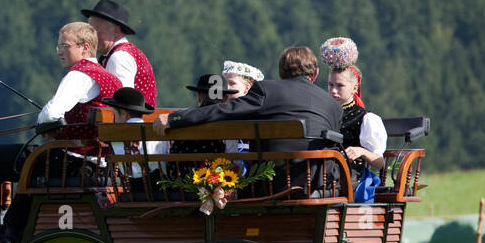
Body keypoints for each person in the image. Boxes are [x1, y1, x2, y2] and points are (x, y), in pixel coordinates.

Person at [0, 22, 121, 243]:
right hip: (97, 166)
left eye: (65, 45)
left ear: (85, 48)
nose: (59, 51)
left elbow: (51, 114)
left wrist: (47, 127)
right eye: (58, 46)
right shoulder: (109, 78)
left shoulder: (79, 75)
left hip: (69, 163)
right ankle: (13, 227)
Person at [152, 46, 344, 193]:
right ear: (316, 73)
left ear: (280, 73)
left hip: (269, 185)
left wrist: (175, 118)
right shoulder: (334, 105)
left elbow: (223, 111)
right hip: (319, 186)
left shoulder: (267, 90)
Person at [321, 37, 387, 171]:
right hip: (323, 174)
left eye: (340, 86)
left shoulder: (366, 118)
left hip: (350, 178)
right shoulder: (321, 112)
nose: (333, 91)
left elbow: (380, 162)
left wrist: (361, 151)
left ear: (354, 88)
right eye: (330, 85)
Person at [82, 0, 157, 109]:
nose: (90, 37)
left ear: (116, 30)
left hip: (131, 124)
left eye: (95, 31)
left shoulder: (119, 58)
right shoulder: (121, 53)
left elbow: (124, 104)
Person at [101, 87, 164, 179]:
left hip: (135, 186)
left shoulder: (114, 133)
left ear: (124, 114)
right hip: (162, 181)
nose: (113, 120)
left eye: (114, 114)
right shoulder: (156, 130)